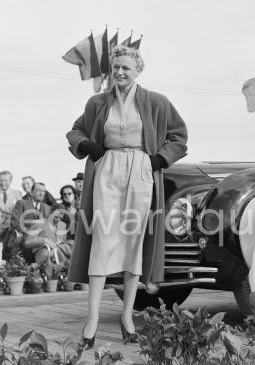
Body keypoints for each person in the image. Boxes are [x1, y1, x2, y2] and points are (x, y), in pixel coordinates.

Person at [66, 45, 188, 349]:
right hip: (107, 170)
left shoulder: (157, 102)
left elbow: (179, 136)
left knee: (135, 243)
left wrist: (159, 159)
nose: (119, 72)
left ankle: (127, 317)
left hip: (142, 170)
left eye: (126, 68)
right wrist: (90, 147)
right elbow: (75, 131)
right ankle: (92, 319)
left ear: (138, 71)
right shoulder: (97, 103)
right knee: (102, 239)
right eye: (116, 66)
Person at [8, 182, 52, 263]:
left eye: (43, 191)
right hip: (26, 236)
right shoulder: (22, 204)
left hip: (43, 238)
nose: (41, 193)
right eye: (38, 190)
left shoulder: (47, 208)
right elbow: (15, 222)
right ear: (31, 192)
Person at [0, 171, 23, 245]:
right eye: (1, 180)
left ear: (11, 181)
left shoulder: (18, 194)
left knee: (12, 220)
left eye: (6, 180)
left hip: (12, 223)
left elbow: (19, 210)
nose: (3, 183)